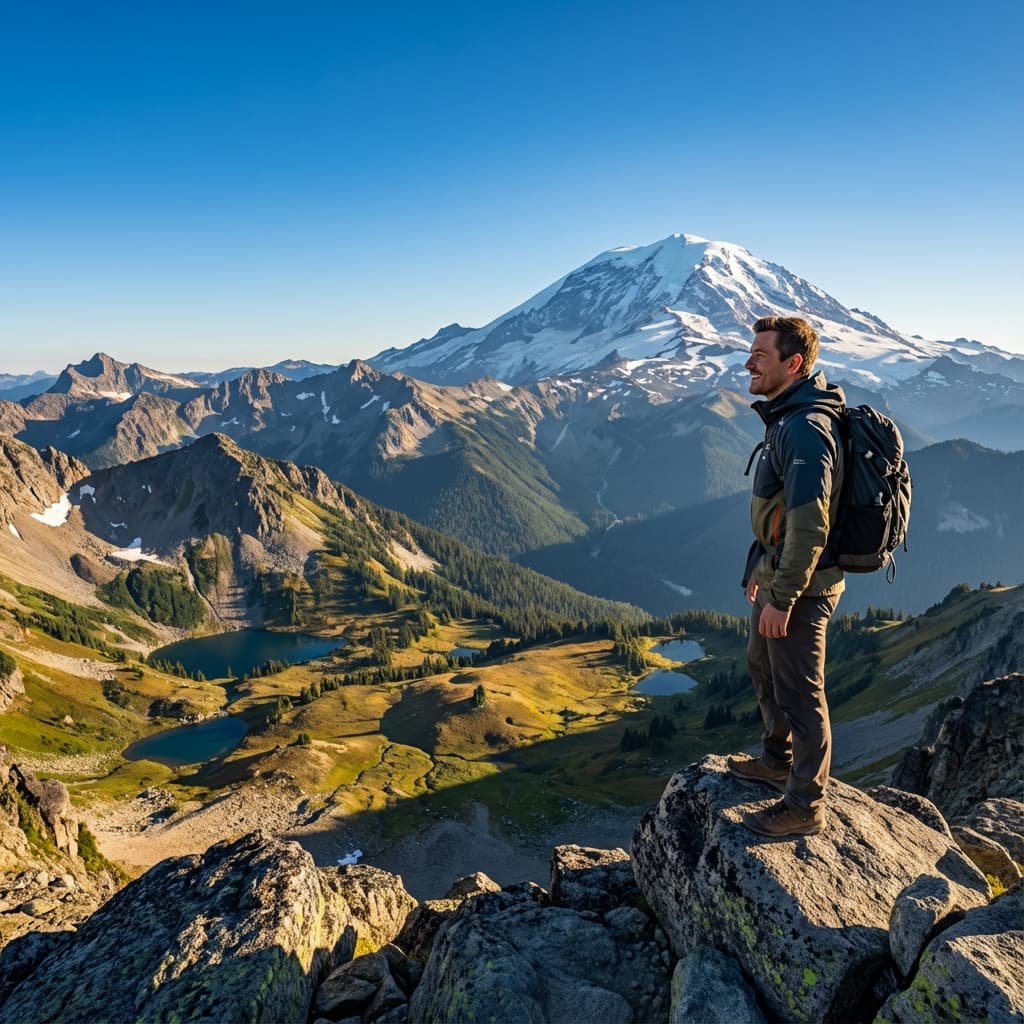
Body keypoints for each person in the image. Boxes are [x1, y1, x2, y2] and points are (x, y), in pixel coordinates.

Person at [727, 316, 845, 837]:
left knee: (800, 692)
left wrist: (785, 597)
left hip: (802, 587)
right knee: (761, 664)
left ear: (793, 364)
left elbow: (808, 523)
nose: (748, 362)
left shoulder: (804, 428)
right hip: (777, 575)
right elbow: (778, 518)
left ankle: (804, 807)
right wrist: (762, 571)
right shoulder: (788, 416)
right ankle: (777, 759)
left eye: (759, 354)